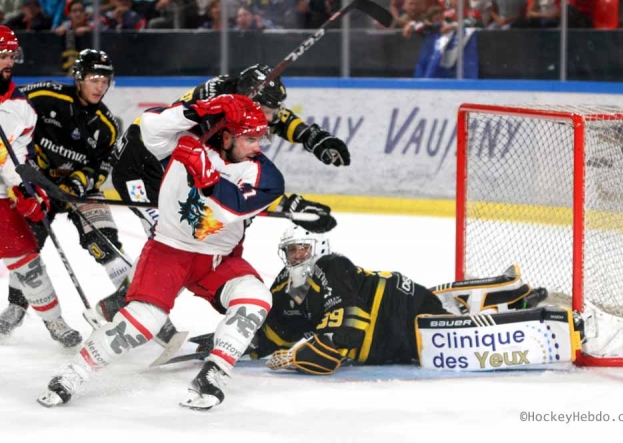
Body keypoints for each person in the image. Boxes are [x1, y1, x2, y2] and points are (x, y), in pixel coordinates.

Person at [36, 93, 337, 410]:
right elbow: (149, 125)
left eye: (260, 138)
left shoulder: (266, 174)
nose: (257, 147)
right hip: (169, 251)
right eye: (250, 139)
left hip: (219, 260)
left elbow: (230, 210)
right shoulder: (186, 141)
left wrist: (207, 178)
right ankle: (74, 373)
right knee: (143, 324)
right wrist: (200, 109)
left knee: (256, 297)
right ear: (226, 135)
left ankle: (214, 372)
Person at [100, 63, 350, 321]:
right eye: (266, 110)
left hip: (169, 168)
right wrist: (284, 204)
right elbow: (218, 179)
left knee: (192, 237)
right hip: (139, 168)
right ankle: (130, 306)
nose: (271, 119)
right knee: (172, 239)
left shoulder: (243, 103)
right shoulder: (214, 109)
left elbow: (274, 117)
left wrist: (311, 137)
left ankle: (127, 305)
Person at [232, 226, 549, 375]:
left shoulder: (330, 265)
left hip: (408, 314)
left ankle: (522, 306)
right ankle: (511, 300)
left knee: (467, 337)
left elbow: (347, 331)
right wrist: (231, 342)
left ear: (319, 247)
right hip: (397, 337)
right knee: (451, 325)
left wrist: (301, 355)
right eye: (292, 250)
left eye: (303, 248)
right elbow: (272, 331)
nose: (297, 256)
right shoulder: (286, 285)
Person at [2, 49, 135, 338]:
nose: (100, 87)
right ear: (79, 78)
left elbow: (101, 167)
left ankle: (137, 304)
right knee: (27, 248)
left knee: (104, 242)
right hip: (38, 186)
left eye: (105, 81)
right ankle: (16, 306)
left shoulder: (107, 126)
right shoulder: (45, 95)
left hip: (78, 191)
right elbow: (11, 105)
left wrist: (76, 184)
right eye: (94, 79)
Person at [0, 26, 82, 347]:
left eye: (11, 55)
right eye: (2, 55)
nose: (8, 62)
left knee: (28, 262)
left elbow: (16, 158)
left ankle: (54, 321)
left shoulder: (21, 108)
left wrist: (26, 191)